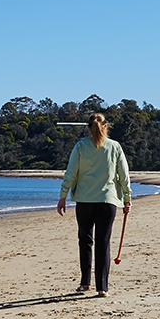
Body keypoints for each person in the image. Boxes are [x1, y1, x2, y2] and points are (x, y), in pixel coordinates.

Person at [56, 113, 131, 297]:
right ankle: (102, 287)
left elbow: (71, 173)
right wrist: (127, 199)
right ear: (105, 126)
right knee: (103, 243)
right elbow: (124, 176)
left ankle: (84, 284)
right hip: (108, 201)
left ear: (89, 128)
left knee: (85, 241)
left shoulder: (81, 146)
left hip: (84, 201)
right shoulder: (115, 147)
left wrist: (62, 196)